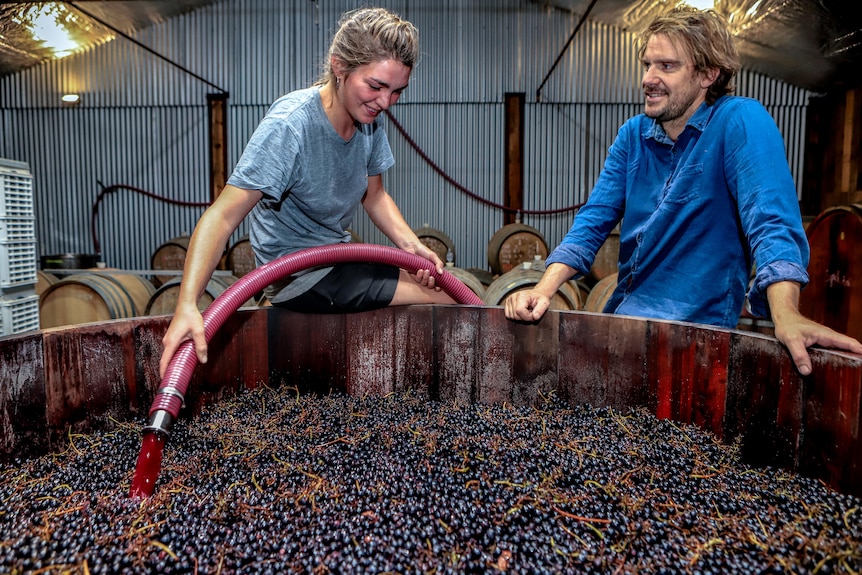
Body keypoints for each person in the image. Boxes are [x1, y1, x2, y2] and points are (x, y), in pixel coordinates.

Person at [504, 5, 862, 376]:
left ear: (708, 74)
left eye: (667, 66)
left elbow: (771, 223)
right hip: (624, 329)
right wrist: (544, 289)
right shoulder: (633, 135)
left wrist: (785, 314)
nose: (649, 78)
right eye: (647, 64)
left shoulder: (739, 122)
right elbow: (593, 221)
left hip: (695, 346)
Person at [159, 7, 455, 378]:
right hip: (297, 273)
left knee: (442, 284)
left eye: (397, 91)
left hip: (336, 255)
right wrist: (187, 304)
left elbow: (374, 195)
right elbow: (223, 216)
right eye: (376, 86)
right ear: (339, 67)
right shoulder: (290, 127)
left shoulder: (368, 121)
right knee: (444, 299)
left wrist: (411, 247)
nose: (384, 102)